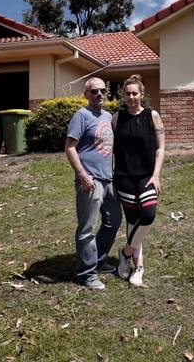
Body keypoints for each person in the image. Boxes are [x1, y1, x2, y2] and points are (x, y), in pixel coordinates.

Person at [65, 77, 122, 290]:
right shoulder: (82, 115)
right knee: (87, 227)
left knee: (114, 220)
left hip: (109, 178)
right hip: (90, 180)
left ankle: (97, 261)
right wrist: (82, 175)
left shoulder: (108, 116)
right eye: (94, 91)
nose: (99, 94)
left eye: (102, 91)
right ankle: (86, 273)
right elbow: (70, 147)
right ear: (86, 95)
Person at [113, 74, 165, 287]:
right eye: (128, 93)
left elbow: (161, 148)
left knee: (148, 215)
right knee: (133, 221)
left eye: (135, 93)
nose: (132, 97)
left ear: (142, 95)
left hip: (146, 176)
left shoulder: (152, 116)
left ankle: (125, 253)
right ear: (124, 96)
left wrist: (156, 175)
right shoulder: (117, 117)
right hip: (124, 177)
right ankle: (139, 268)